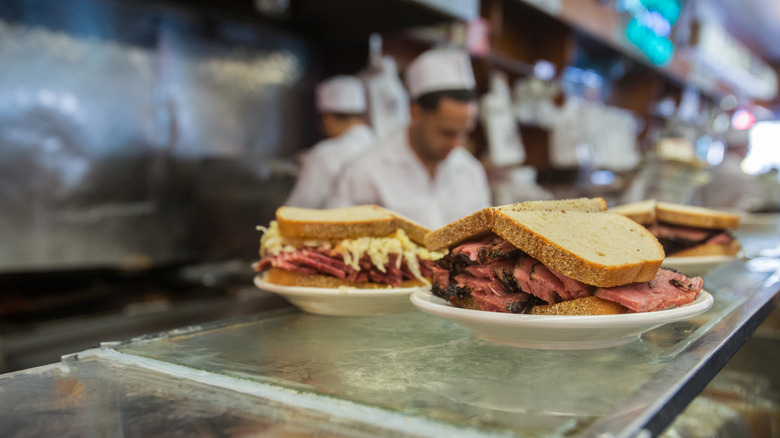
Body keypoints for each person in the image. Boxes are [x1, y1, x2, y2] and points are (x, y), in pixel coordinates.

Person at [328, 48, 491, 229]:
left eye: (465, 133)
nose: (457, 144)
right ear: (415, 113)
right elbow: (337, 244)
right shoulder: (364, 172)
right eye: (447, 132)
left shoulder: (471, 172)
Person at [285, 75, 375, 208]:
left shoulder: (324, 154)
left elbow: (299, 208)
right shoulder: (381, 145)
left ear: (329, 118)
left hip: (336, 227)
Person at [697, 127, 762, 212]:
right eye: (747, 146)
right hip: (727, 221)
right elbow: (752, 203)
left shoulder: (715, 169)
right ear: (739, 146)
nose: (748, 150)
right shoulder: (741, 176)